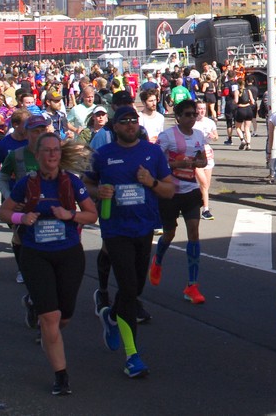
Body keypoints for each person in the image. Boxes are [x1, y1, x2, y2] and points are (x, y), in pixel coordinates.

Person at [0, 132, 98, 396]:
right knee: (50, 316)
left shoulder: (71, 182)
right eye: (47, 150)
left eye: (56, 150)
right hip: (36, 254)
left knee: (64, 316)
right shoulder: (27, 183)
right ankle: (61, 376)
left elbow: (91, 215)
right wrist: (22, 218)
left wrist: (70, 214)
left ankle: (44, 325)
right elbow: (3, 212)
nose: (52, 154)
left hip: (69, 254)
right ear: (38, 154)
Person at [89, 104, 177, 378]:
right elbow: (86, 184)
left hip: (144, 227)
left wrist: (151, 182)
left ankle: (111, 315)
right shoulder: (103, 155)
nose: (130, 125)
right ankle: (132, 356)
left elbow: (169, 190)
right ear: (115, 126)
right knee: (127, 288)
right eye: (124, 121)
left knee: (136, 287)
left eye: (133, 120)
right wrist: (99, 191)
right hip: (115, 230)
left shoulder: (152, 152)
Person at [149, 99, 209, 303]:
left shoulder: (199, 135)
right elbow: (155, 161)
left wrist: (199, 162)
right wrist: (176, 164)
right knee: (169, 233)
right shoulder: (167, 136)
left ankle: (192, 285)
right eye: (188, 114)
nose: (192, 118)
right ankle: (158, 259)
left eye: (194, 114)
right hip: (170, 192)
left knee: (194, 233)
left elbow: (203, 159)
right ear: (178, 117)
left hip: (191, 191)